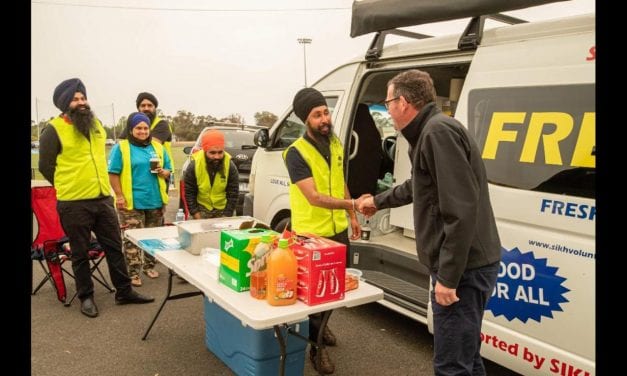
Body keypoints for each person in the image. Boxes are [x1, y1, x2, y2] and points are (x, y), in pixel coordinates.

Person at [357, 69, 501, 376]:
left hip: (463, 271)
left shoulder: (437, 133)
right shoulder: (430, 132)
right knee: (467, 358)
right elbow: (417, 185)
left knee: (451, 366)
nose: (388, 109)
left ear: (404, 102)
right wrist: (378, 201)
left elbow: (460, 211)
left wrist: (448, 277)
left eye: (388, 102)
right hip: (466, 266)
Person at [38, 78, 155, 318]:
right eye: (75, 99)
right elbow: (46, 166)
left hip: (102, 199)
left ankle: (124, 291)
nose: (81, 102)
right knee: (80, 252)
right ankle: (86, 297)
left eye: (83, 98)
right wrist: (67, 185)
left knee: (114, 247)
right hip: (73, 203)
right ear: (64, 103)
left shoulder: (96, 125)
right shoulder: (53, 130)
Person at [283, 87, 361, 375]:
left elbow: (339, 181)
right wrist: (353, 203)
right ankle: (316, 349)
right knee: (317, 295)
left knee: (335, 288)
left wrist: (351, 215)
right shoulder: (296, 153)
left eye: (326, 112)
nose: (324, 118)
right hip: (312, 235)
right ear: (306, 119)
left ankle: (323, 325)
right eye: (317, 115)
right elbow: (314, 197)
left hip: (338, 229)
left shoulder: (336, 144)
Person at [108, 112, 172, 287]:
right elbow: (113, 173)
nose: (143, 131)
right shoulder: (121, 148)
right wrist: (119, 195)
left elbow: (168, 170)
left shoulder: (158, 148)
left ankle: (149, 266)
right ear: (131, 129)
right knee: (132, 238)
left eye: (145, 128)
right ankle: (133, 273)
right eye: (138, 128)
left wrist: (163, 172)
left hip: (155, 200)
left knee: (153, 237)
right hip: (131, 202)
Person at [122, 92, 175, 190]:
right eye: (143, 105)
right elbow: (121, 143)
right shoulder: (133, 123)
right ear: (138, 108)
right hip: (137, 171)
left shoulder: (162, 124)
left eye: (150, 105)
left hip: (159, 171)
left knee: (157, 202)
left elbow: (150, 143)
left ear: (155, 108)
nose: (146, 108)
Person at [183, 129, 239, 219]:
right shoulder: (194, 165)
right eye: (212, 153)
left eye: (220, 152)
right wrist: (197, 217)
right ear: (205, 151)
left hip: (224, 210)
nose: (217, 157)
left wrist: (226, 217)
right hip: (201, 209)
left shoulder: (230, 166)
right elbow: (189, 193)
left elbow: (233, 194)